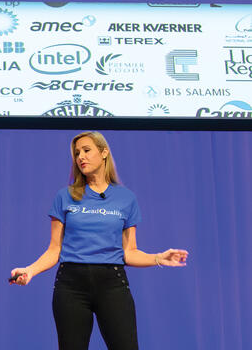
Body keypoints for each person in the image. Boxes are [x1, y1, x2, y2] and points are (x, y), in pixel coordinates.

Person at [10, 131, 188, 350]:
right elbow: (54, 249)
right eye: (77, 153)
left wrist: (159, 258)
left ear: (104, 153)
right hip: (71, 285)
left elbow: (129, 252)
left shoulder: (126, 198)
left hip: (112, 284)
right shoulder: (65, 196)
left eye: (86, 150)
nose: (80, 157)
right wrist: (30, 270)